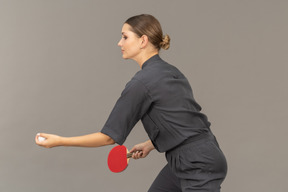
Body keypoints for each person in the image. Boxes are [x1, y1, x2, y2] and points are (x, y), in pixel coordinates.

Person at [35, 14, 227, 192]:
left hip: (197, 165)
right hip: (200, 155)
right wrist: (150, 144)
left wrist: (60, 141)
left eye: (125, 37)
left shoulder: (141, 83)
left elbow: (108, 137)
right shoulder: (172, 71)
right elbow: (184, 120)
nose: (119, 43)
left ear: (143, 40)